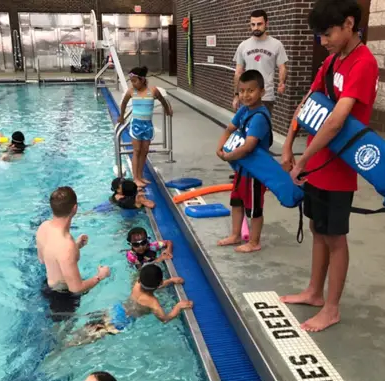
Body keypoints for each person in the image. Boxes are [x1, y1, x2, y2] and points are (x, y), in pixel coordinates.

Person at [281, 0, 379, 332]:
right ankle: (314, 291)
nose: (323, 41)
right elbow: (308, 102)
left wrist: (302, 162)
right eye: (319, 35)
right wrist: (288, 143)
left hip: (338, 166)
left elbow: (337, 121)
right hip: (316, 162)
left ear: (349, 23)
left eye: (327, 33)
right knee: (317, 228)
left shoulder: (363, 64)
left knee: (335, 236)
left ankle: (332, 308)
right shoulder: (333, 60)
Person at [63, 265, 192, 347]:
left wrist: (170, 281)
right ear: (159, 284)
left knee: (89, 326)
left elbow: (151, 284)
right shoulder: (153, 302)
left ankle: (66, 338)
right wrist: (178, 306)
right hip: (121, 321)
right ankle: (67, 346)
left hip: (116, 309)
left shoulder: (136, 285)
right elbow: (165, 319)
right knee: (92, 336)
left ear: (140, 279)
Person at [216, 70, 273, 253]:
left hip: (255, 171)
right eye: (241, 91)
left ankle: (254, 241)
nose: (245, 95)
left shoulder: (259, 117)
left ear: (262, 92)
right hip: (242, 168)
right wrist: (221, 146)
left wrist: (228, 156)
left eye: (250, 91)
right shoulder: (243, 110)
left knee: (254, 207)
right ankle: (235, 234)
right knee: (237, 202)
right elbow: (229, 129)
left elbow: (249, 147)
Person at [36, 186, 111, 322]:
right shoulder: (66, 246)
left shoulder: (44, 227)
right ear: (75, 208)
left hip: (47, 286)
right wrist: (100, 276)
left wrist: (76, 246)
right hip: (64, 299)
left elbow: (43, 259)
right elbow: (76, 288)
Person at [117, 66, 173, 188]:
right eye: (131, 81)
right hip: (136, 125)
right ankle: (135, 178)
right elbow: (124, 103)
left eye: (135, 81)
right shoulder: (131, 92)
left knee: (144, 151)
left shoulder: (152, 91)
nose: (133, 84)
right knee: (136, 151)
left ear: (142, 80)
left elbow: (163, 101)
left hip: (147, 125)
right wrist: (121, 116)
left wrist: (168, 110)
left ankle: (141, 176)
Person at [232, 10, 288, 116]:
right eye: (253, 24)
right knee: (245, 127)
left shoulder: (277, 45)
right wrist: (236, 95)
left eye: (259, 24)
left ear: (266, 24)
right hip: (246, 95)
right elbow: (238, 72)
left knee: (262, 128)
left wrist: (282, 82)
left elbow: (282, 67)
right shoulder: (243, 46)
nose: (256, 27)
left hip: (266, 96)